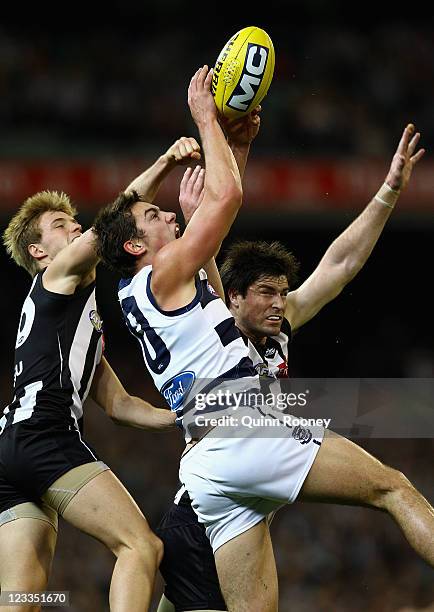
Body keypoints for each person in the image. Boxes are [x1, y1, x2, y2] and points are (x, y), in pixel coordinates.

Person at [92, 65, 433, 612]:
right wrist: (206, 116)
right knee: (393, 487)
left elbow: (221, 215)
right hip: (244, 428)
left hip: (208, 466)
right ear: (136, 246)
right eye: (153, 216)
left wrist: (237, 146)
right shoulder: (165, 274)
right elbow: (225, 203)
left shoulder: (153, 292)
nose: (166, 216)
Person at [0, 135, 202, 611]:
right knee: (141, 547)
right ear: (39, 252)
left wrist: (182, 417)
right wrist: (167, 161)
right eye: (61, 226)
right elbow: (111, 222)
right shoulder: (55, 277)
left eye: (74, 222)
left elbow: (121, 405)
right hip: (43, 435)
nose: (76, 230)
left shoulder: (75, 319)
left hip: (11, 448)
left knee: (21, 598)